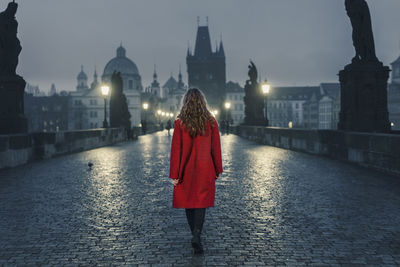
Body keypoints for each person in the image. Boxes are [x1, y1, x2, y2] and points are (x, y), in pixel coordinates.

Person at [169, 88, 223, 254]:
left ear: (185, 103)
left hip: (185, 169)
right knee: (201, 203)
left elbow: (176, 150)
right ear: (202, 102)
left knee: (189, 201)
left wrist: (174, 175)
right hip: (204, 168)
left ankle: (194, 234)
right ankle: (197, 235)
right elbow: (216, 148)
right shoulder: (211, 122)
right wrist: (217, 168)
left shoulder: (180, 123)